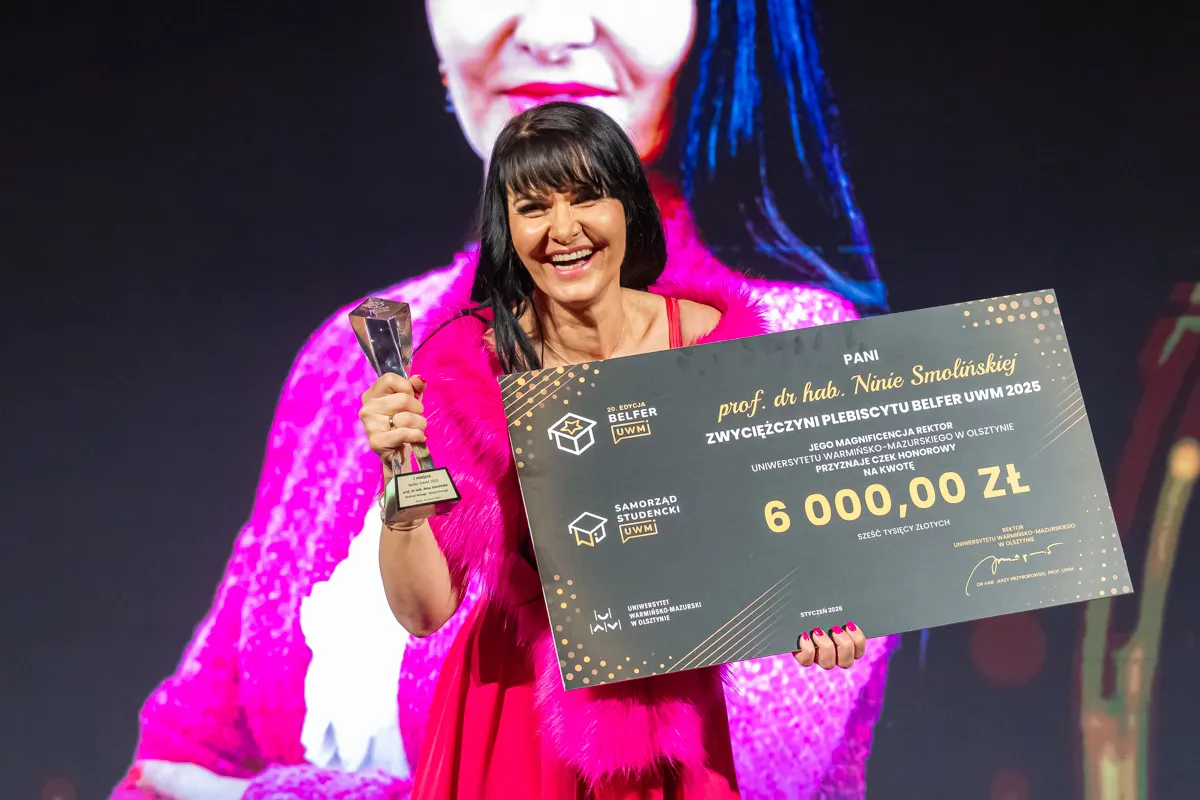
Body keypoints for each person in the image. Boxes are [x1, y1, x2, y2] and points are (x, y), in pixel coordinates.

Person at [118, 4, 898, 799]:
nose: (549, 30)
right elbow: (175, 754)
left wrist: (256, 796)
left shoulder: (794, 356)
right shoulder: (353, 356)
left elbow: (690, 770)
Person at [363, 100, 869, 798]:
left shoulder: (713, 349)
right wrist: (399, 471)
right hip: (518, 718)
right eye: (533, 207)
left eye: (586, 198)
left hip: (677, 714)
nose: (563, 229)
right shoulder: (470, 370)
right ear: (506, 229)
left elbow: (772, 544)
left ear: (628, 206)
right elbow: (424, 611)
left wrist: (821, 615)